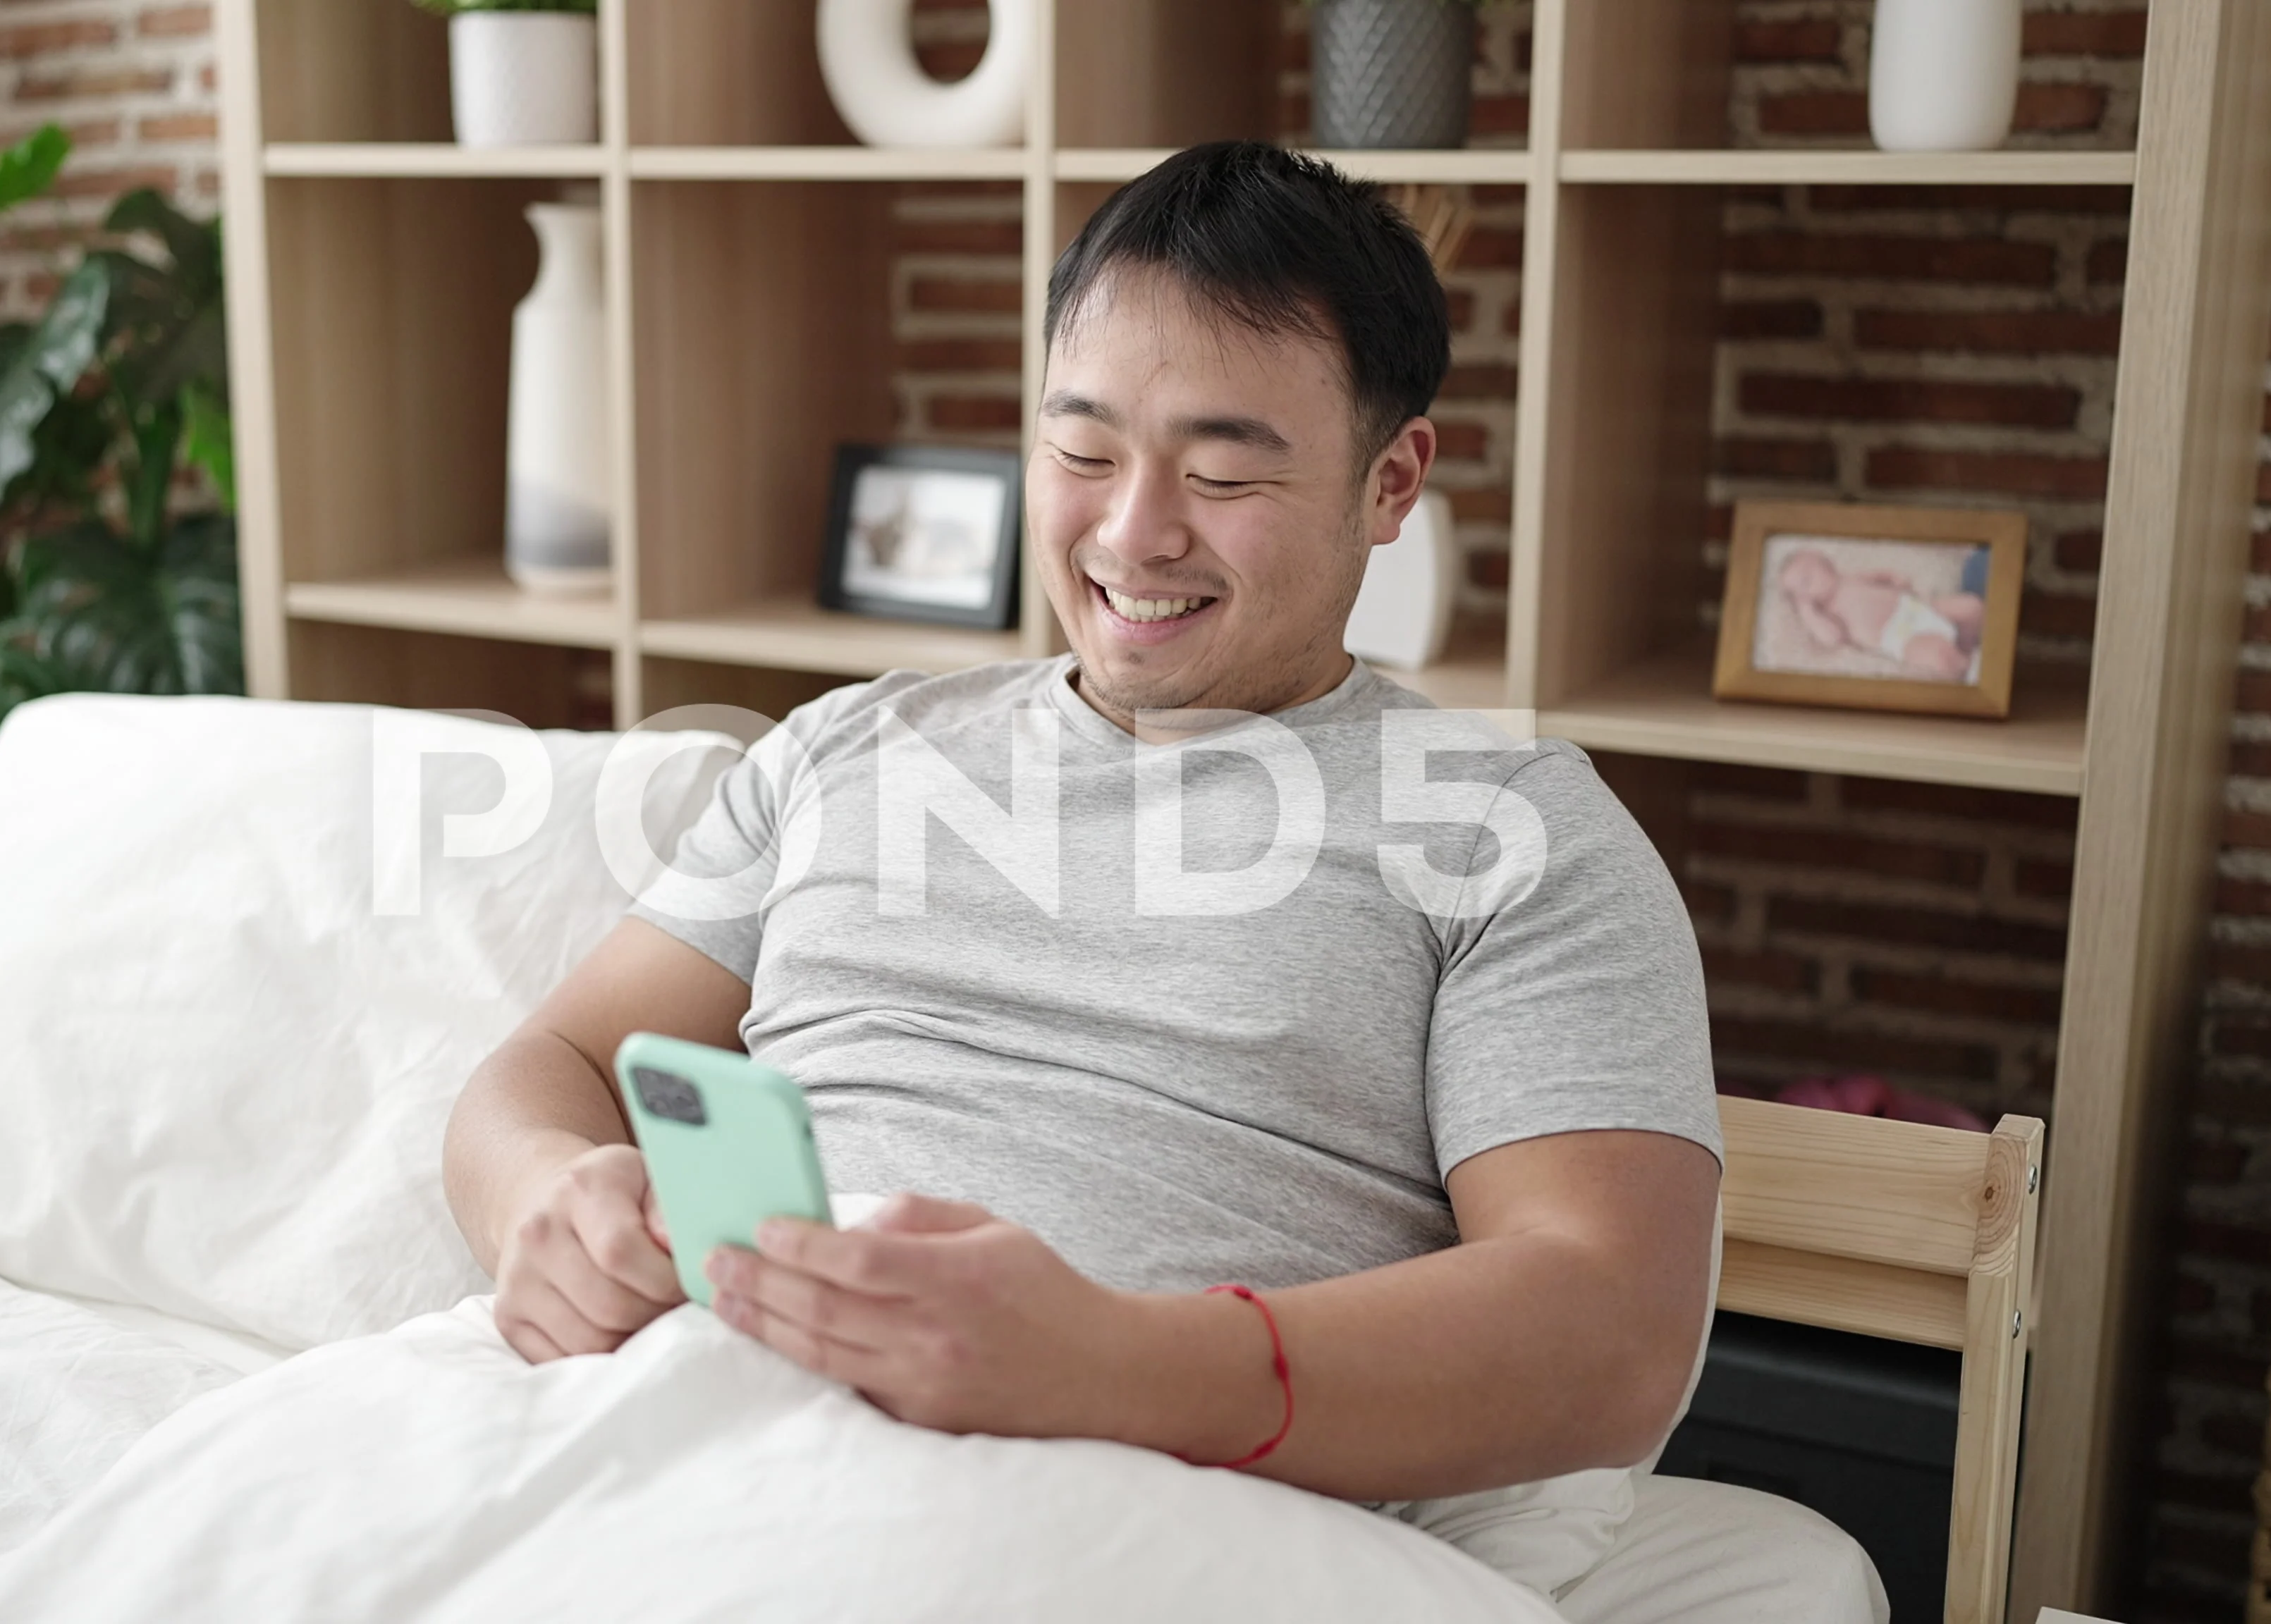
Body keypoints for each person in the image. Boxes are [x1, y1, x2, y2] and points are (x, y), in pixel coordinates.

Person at [442, 141, 1722, 1569]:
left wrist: (1105, 1363)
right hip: (663, 1432)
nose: (1132, 532)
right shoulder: (842, 749)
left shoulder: (1508, 832)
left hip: (1095, 1513)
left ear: (1390, 480)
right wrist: (539, 1198)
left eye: (1223, 470)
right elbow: (551, 1061)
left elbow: (1612, 1332)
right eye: (1082, 451)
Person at [1774, 545, 1985, 681]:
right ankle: (1969, 670)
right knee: (1939, 655)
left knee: (1972, 607)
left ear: (1825, 563)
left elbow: (1880, 576)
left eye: (1807, 576)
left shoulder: (1851, 578)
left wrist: (1895, 579)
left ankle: (1968, 646)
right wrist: (1807, 611)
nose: (1805, 589)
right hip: (1901, 636)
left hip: (1917, 607)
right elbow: (1833, 638)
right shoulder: (1827, 612)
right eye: (1799, 591)